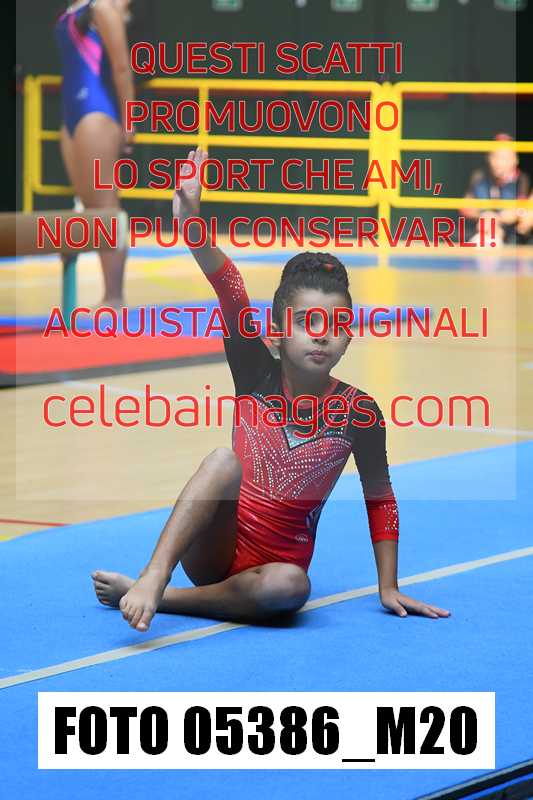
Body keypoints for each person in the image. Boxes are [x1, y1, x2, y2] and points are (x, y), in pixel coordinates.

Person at [92, 148, 451, 632]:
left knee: (292, 587)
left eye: (334, 324)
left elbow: (380, 496)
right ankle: (155, 575)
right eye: (306, 322)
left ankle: (169, 600)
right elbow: (230, 287)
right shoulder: (255, 372)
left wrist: (388, 586)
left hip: (275, 572)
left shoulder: (359, 412)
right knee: (223, 461)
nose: (320, 335)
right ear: (277, 333)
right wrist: (191, 223)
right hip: (214, 548)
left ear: (349, 337)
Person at [55, 0, 134, 306]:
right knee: (89, 207)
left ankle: (114, 297)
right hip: (72, 115)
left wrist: (129, 121)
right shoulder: (75, 9)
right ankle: (105, 293)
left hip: (96, 113)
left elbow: (121, 67)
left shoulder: (102, 8)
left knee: (104, 207)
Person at [461, 133, 530, 246]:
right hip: (482, 231)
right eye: (495, 156)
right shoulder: (479, 176)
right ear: (489, 158)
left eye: (504, 158)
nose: (499, 163)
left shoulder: (522, 179)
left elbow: (521, 211)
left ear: (515, 159)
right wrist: (483, 215)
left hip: (511, 237)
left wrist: (497, 218)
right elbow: (465, 206)